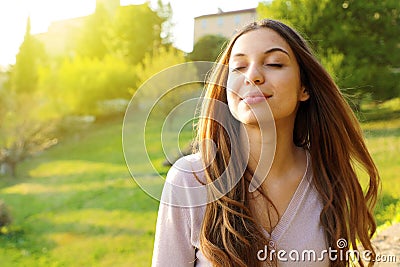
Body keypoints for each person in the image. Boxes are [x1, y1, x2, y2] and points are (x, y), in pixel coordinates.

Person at [151, 19, 380, 267]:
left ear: (304, 87)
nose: (253, 76)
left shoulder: (326, 176)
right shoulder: (191, 180)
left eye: (274, 63)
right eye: (238, 67)